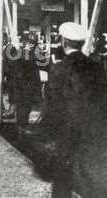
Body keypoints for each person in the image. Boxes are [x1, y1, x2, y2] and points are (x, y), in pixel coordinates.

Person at [42, 22, 100, 198]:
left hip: (67, 128)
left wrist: (48, 131)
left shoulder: (59, 69)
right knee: (89, 172)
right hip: (92, 128)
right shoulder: (96, 67)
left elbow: (53, 104)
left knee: (63, 173)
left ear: (63, 41)